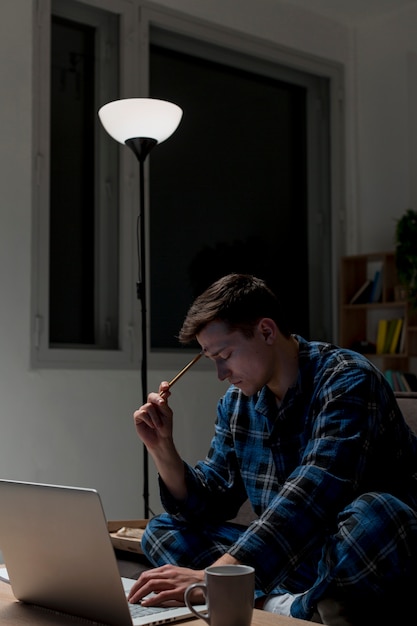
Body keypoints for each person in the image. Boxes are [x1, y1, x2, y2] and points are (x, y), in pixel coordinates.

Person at [128, 273, 417, 625]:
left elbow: (313, 496)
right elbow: (212, 498)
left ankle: (262, 598)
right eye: (211, 359)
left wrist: (215, 577)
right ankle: (291, 604)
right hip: (289, 561)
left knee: (378, 514)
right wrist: (163, 450)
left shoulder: (348, 379)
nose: (221, 373)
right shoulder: (236, 403)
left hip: (354, 550)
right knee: (162, 530)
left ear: (266, 331)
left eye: (225, 355)